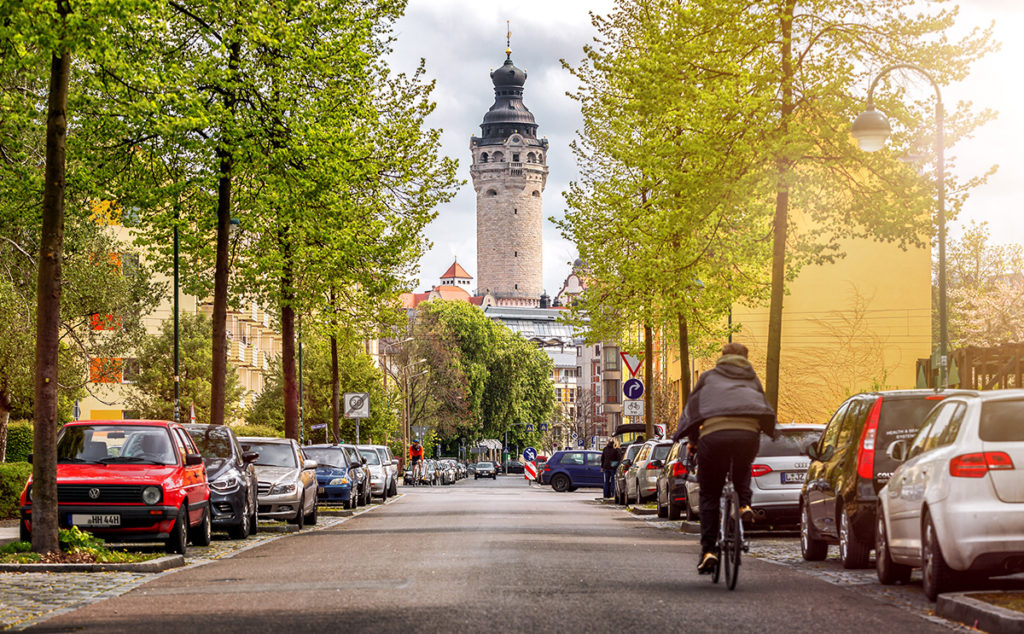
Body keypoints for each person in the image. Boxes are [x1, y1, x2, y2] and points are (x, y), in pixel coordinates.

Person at [673, 342, 776, 574]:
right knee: (743, 467)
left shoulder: (708, 377)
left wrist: (693, 441)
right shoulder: (752, 379)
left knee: (709, 494)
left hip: (714, 436)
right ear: (745, 358)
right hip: (747, 435)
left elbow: (695, 407)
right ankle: (745, 505)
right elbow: (761, 404)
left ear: (723, 357)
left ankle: (709, 551)